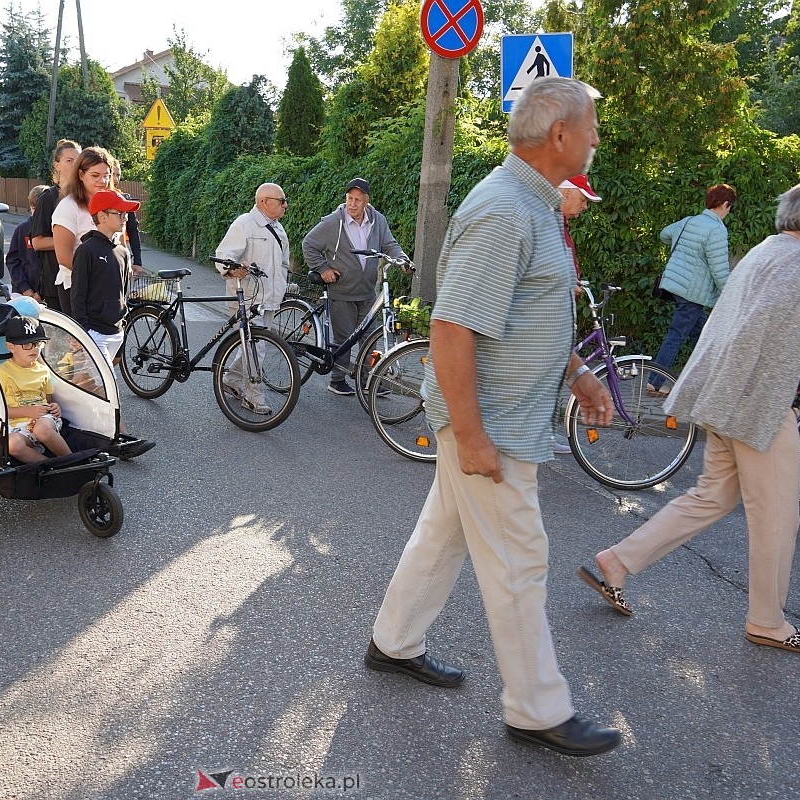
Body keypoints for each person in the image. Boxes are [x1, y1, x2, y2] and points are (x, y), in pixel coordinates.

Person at [366, 77, 621, 758]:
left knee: (442, 538)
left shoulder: (532, 206)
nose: (597, 138)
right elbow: (452, 330)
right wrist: (473, 436)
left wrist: (577, 370)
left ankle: (393, 642)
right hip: (494, 423)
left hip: (505, 417)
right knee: (519, 558)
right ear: (560, 135)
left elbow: (526, 317)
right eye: (591, 125)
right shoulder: (506, 210)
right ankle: (537, 708)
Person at [579, 178, 800, 657]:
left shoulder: (768, 250)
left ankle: (617, 562)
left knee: (711, 498)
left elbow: (731, 324)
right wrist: (745, 403)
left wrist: (716, 398)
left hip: (731, 401)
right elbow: (751, 330)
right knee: (778, 518)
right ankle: (768, 622)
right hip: (758, 407)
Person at [301, 177, 408, 396]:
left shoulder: (377, 220)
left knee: (370, 338)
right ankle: (337, 380)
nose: (352, 204)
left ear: (366, 201)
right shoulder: (333, 222)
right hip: (342, 291)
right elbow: (309, 244)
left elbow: (390, 244)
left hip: (368, 292)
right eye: (350, 198)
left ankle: (367, 381)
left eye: (357, 200)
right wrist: (323, 269)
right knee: (345, 340)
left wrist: (402, 259)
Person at [69, 189, 156, 457]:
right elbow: (78, 294)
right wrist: (81, 331)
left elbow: (122, 290)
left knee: (86, 383)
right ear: (102, 216)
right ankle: (119, 435)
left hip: (114, 329)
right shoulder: (87, 251)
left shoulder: (121, 251)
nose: (125, 218)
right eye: (120, 214)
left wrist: (124, 319)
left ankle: (80, 433)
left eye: (126, 213)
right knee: (106, 386)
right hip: (93, 331)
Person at [647, 183, 736, 396]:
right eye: (730, 207)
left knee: (702, 334)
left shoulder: (689, 221)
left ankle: (700, 380)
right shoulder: (716, 230)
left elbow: (664, 234)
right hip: (693, 293)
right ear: (725, 205)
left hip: (677, 287)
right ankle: (655, 382)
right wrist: (731, 295)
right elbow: (720, 270)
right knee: (676, 336)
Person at [213, 182, 290, 415]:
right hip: (246, 298)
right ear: (264, 202)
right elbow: (223, 255)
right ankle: (253, 395)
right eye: (281, 200)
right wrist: (232, 269)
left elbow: (283, 263)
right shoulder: (244, 224)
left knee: (253, 347)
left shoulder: (279, 229)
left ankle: (231, 379)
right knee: (256, 348)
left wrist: (286, 286)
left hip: (270, 299)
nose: (285, 205)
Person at [552, 174, 601, 454]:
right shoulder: (549, 223)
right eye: (583, 199)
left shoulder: (560, 224)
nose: (585, 206)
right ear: (565, 193)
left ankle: (540, 432)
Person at [0, 316, 72, 464]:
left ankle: (72, 462)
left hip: (44, 420)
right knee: (12, 445)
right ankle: (51, 468)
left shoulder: (43, 370)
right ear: (10, 347)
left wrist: (55, 407)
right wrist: (27, 412)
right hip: (16, 424)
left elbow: (49, 401)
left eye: (38, 344)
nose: (34, 349)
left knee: (41, 429)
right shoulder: (1, 372)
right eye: (27, 345)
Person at [52, 146, 113, 318]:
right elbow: (63, 257)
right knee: (82, 343)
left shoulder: (109, 205)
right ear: (80, 175)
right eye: (95, 175)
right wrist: (95, 275)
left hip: (105, 287)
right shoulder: (68, 207)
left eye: (106, 175)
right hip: (76, 286)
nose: (102, 181)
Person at [30, 139, 80, 312]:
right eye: (69, 160)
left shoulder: (84, 196)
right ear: (57, 165)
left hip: (81, 276)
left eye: (78, 160)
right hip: (55, 280)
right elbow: (37, 242)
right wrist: (67, 240)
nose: (75, 165)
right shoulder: (48, 198)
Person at [7, 185, 48, 300]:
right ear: (30, 206)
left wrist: (40, 293)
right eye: (35, 209)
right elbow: (12, 261)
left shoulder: (54, 230)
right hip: (22, 291)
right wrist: (25, 288)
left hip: (48, 292)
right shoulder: (22, 229)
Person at [110, 158, 143, 270]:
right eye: (112, 174)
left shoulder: (124, 198)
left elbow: (133, 231)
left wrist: (137, 261)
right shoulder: (96, 198)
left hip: (121, 251)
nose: (115, 179)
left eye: (118, 175)